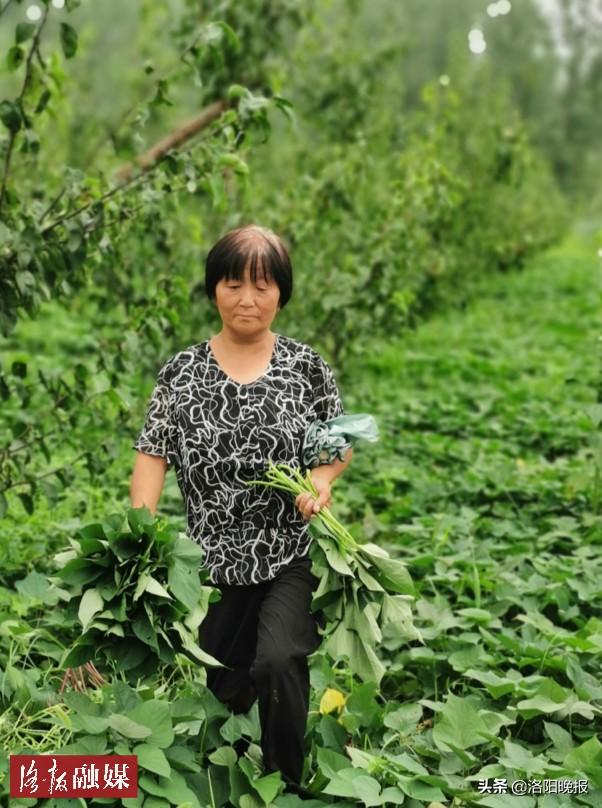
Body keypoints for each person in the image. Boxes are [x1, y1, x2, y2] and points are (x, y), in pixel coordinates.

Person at [129, 224, 353, 791]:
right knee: (225, 683)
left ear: (282, 292)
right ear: (214, 290)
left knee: (278, 662)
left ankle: (287, 783)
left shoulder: (306, 368)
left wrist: (320, 483)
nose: (247, 298)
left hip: (286, 551)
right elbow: (152, 452)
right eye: (233, 283)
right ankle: (226, 757)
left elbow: (334, 447)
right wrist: (139, 532)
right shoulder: (182, 373)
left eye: (262, 284)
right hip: (209, 562)